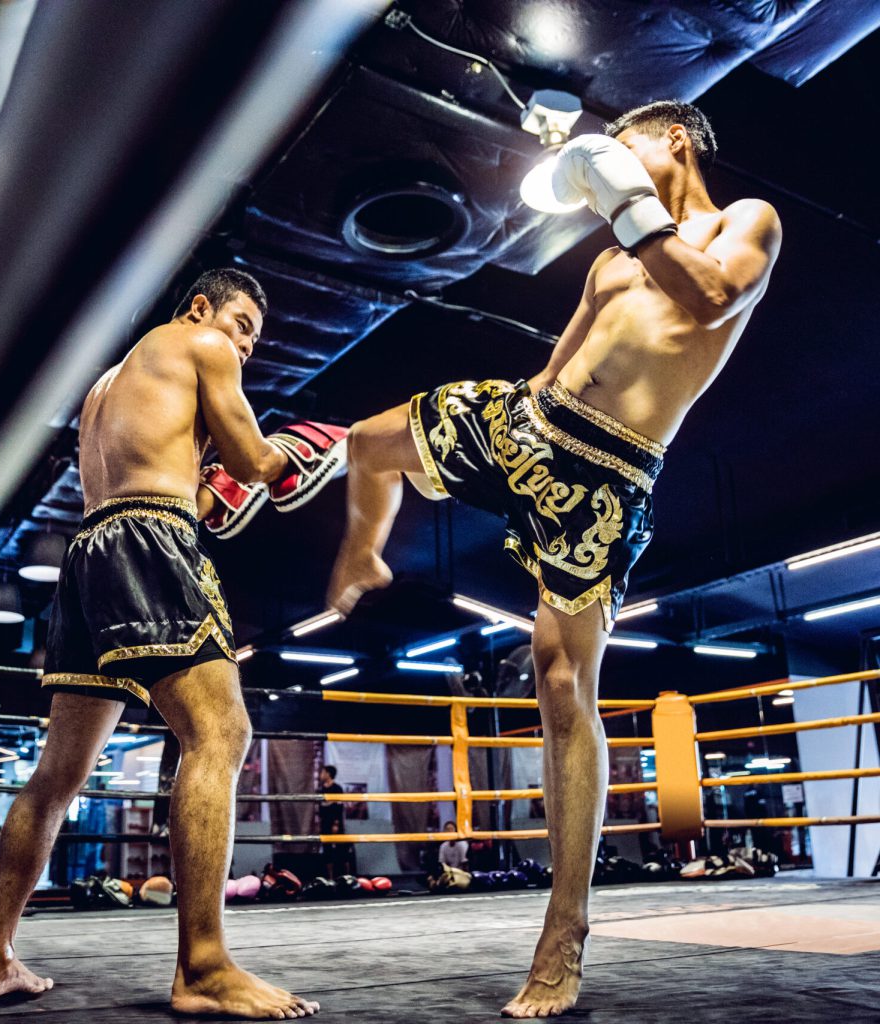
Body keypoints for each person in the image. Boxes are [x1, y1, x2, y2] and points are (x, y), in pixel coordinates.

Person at [325, 101, 781, 1017]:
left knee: (561, 683)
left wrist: (616, 191)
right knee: (369, 445)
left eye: (630, 142)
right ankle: (363, 558)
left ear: (676, 141)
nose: (613, 157)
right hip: (533, 421)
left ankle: (563, 935)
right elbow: (554, 364)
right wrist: (482, 450)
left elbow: (712, 295)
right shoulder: (612, 258)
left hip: (609, 470)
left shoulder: (748, 223)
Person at [0, 268, 345, 1018]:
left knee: (58, 775)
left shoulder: (112, 384)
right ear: (201, 307)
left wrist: (224, 484)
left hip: (90, 552)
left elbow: (192, 492)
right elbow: (256, 464)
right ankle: (203, 966)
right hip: (150, 545)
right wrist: (307, 448)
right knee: (221, 733)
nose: (245, 346)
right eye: (241, 325)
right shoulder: (202, 343)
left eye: (253, 341)